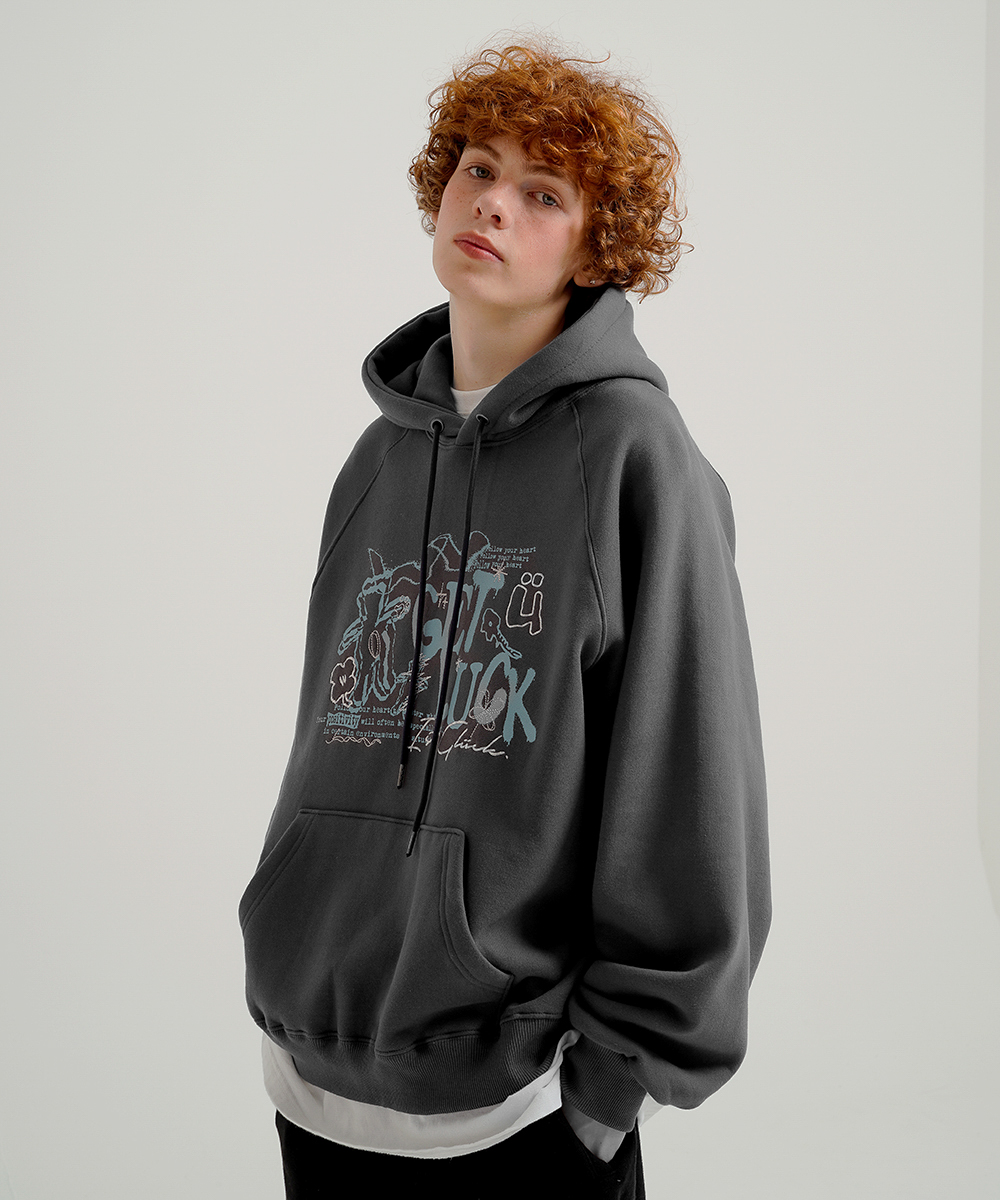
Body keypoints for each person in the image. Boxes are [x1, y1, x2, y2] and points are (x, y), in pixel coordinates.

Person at [240, 39, 770, 1200]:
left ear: (596, 246)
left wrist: (617, 1081)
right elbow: (328, 739)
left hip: (520, 1108)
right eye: (478, 168)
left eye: (544, 194)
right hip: (316, 1080)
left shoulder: (637, 458)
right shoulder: (375, 460)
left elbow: (688, 779)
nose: (492, 203)